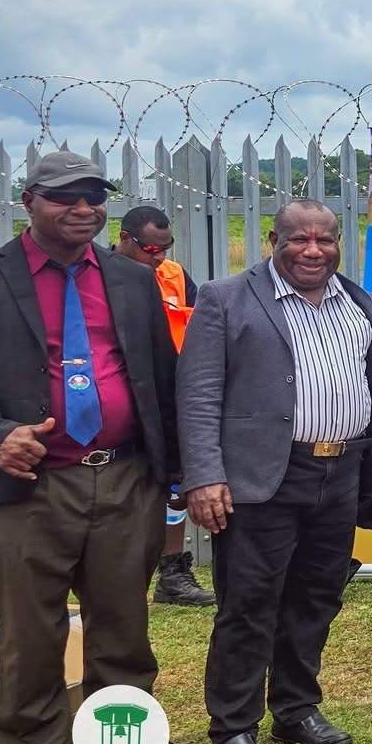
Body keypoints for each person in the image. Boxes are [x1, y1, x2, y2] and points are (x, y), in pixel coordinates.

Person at [0, 151, 201, 744]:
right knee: (30, 624)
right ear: (28, 201)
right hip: (34, 483)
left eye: (93, 197)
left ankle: (125, 738)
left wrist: (179, 470)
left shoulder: (131, 280)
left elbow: (162, 377)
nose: (82, 209)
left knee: (122, 617)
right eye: (64, 197)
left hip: (125, 474)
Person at [179, 201, 372, 744]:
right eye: (299, 239)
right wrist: (204, 475)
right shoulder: (226, 299)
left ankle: (295, 709)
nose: (313, 250)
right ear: (274, 240)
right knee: (249, 603)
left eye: (325, 239)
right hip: (261, 477)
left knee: (317, 596)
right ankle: (234, 729)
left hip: (339, 472)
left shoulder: (358, 301)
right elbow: (198, 394)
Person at [114, 204, 215, 608]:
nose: (158, 256)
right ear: (124, 239)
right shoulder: (103, 276)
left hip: (171, 392)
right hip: (125, 398)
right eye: (150, 249)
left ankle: (172, 573)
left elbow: (199, 325)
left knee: (175, 485)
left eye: (165, 248)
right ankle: (121, 578)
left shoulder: (173, 275)